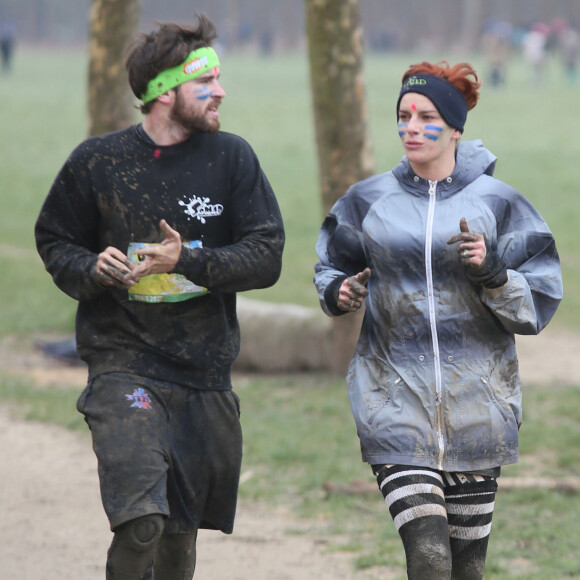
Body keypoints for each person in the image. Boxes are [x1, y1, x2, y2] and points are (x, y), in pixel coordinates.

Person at [35, 14, 284, 580]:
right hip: (124, 366)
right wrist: (91, 266)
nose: (221, 91)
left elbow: (266, 256)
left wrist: (188, 261)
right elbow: (55, 239)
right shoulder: (98, 162)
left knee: (177, 543)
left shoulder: (232, 158)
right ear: (163, 93)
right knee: (141, 522)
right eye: (206, 83)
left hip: (203, 373)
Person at [314, 61, 562, 579]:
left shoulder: (499, 203)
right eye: (403, 116)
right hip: (392, 401)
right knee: (427, 557)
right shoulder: (367, 201)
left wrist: (494, 273)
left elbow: (538, 302)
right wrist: (338, 291)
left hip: (480, 407)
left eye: (426, 116)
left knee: (466, 568)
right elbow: (330, 267)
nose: (410, 127)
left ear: (454, 127)